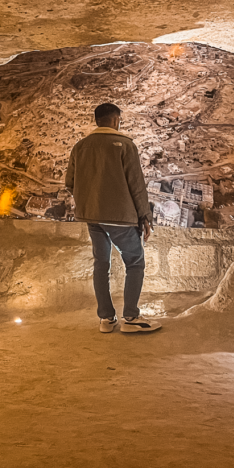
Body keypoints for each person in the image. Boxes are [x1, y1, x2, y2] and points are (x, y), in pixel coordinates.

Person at [65, 103, 161, 333]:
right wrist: (145, 215)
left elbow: (70, 183)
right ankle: (131, 317)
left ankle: (106, 319)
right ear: (116, 120)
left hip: (92, 216)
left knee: (101, 264)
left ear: (97, 120)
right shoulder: (125, 145)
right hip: (120, 217)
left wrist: (91, 199)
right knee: (135, 263)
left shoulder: (80, 146)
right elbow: (136, 185)